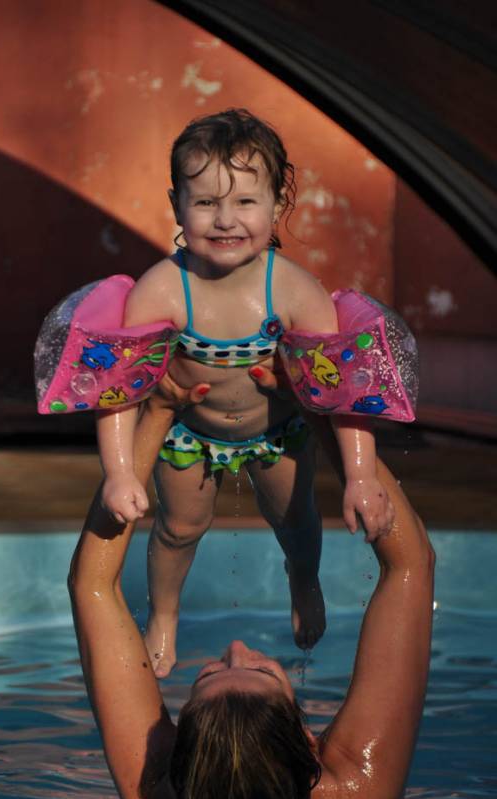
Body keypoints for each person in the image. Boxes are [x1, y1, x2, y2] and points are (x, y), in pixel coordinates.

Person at [69, 377, 435, 799]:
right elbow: (410, 564)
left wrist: (158, 412)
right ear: (307, 744)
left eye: (208, 674)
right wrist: (319, 406)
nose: (236, 648)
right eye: (260, 669)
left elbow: (92, 585)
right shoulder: (352, 798)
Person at [95, 108, 395, 676]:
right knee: (179, 528)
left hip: (275, 430)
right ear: (177, 204)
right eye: (206, 202)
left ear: (278, 205)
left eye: (245, 201)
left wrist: (361, 476)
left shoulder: (295, 292)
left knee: (296, 520)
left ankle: (303, 580)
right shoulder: (162, 290)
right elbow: (121, 389)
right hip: (190, 433)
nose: (225, 219)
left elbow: (342, 391)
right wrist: (119, 472)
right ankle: (164, 614)